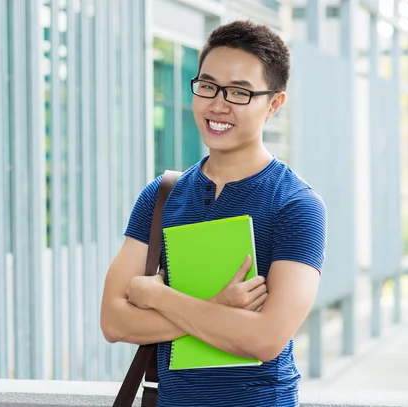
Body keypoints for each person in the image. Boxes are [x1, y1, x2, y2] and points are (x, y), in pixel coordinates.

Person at [100, 20, 327, 407]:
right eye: (208, 86)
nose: (218, 104)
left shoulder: (297, 206)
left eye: (239, 92)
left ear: (274, 103)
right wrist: (221, 308)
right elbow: (114, 322)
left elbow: (265, 339)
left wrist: (156, 295)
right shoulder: (161, 196)